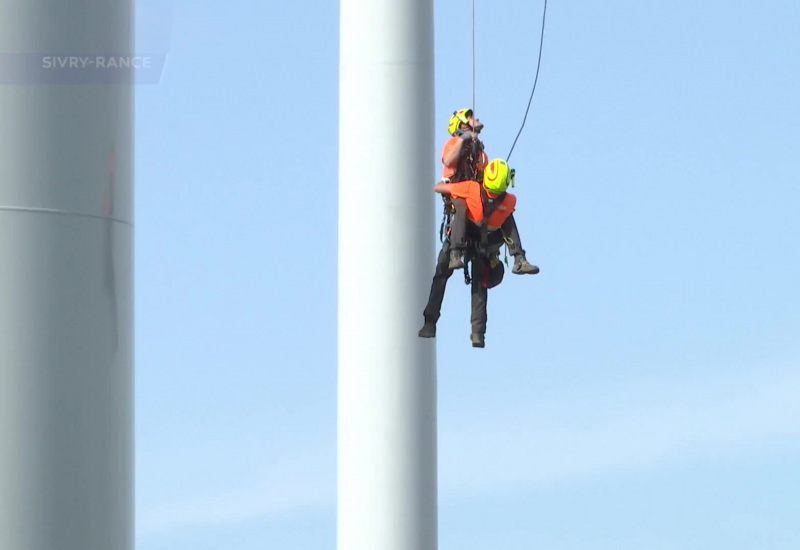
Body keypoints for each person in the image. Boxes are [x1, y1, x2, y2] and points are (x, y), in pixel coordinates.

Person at [419, 158, 535, 348]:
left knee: (442, 277)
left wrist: (454, 191)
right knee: (479, 288)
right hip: (483, 244)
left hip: (465, 242)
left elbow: (438, 188)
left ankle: (430, 323)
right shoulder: (507, 200)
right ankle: (477, 334)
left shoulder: (471, 188)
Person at [439, 108, 538, 274]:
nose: (475, 117)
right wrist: (463, 139)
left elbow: (486, 180)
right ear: (462, 125)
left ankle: (519, 258)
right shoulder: (453, 144)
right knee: (461, 204)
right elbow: (448, 160)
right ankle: (455, 254)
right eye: (470, 117)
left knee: (505, 208)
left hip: (477, 198)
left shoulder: (481, 153)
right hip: (458, 195)